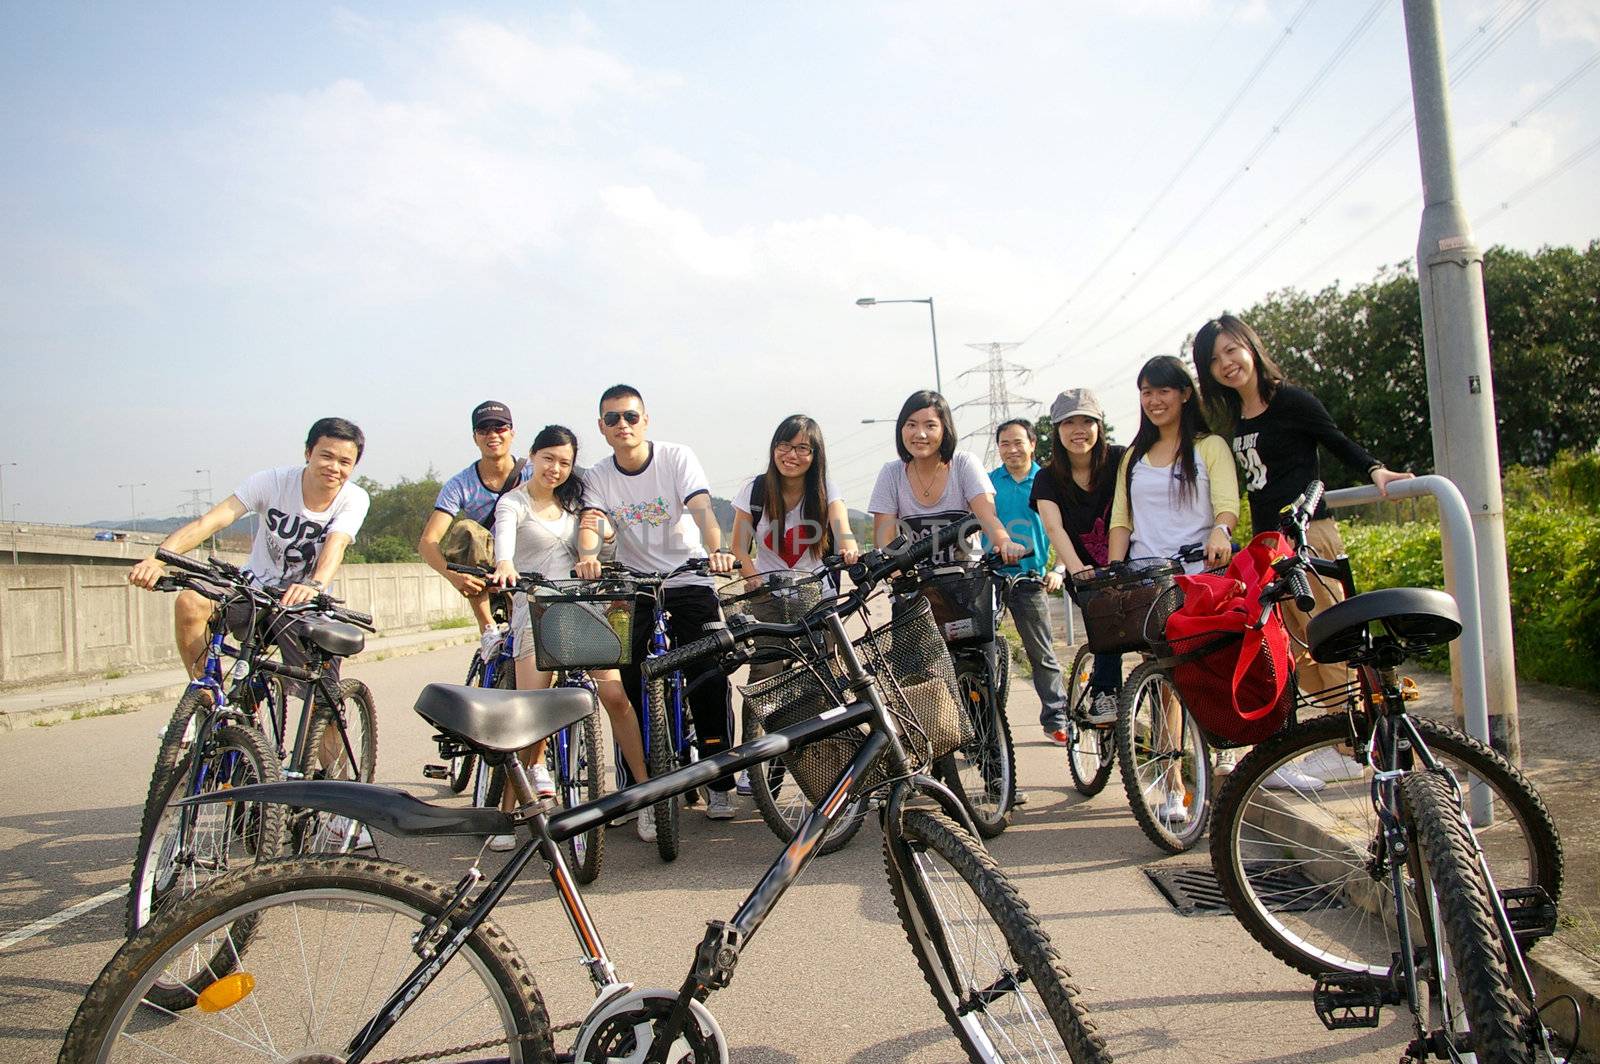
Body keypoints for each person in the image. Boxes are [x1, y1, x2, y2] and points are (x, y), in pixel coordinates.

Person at [1193, 313, 1414, 789]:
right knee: (1297, 648)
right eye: (1215, 359)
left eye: (1232, 350)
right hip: (1270, 545)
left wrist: (1376, 470)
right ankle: (1347, 738)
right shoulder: (1235, 419)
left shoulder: (1290, 401)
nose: (1227, 363)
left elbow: (1335, 441)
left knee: (1329, 635)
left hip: (1308, 536)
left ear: (1250, 347)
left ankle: (1352, 748)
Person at [577, 384, 740, 821]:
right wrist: (589, 556)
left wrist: (716, 548)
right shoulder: (598, 475)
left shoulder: (675, 457)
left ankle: (719, 780)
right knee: (625, 680)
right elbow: (593, 521)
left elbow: (702, 508)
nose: (623, 425)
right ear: (602, 427)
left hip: (688, 577)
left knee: (707, 675)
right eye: (613, 419)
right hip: (634, 584)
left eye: (631, 416)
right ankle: (635, 783)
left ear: (645, 420)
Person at [487, 426, 652, 849]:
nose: (555, 469)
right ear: (532, 457)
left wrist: (606, 537)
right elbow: (503, 543)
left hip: (582, 610)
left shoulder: (578, 504)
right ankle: (510, 812)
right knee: (530, 716)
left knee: (616, 698)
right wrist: (505, 565)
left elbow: (603, 549)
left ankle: (647, 796)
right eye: (548, 459)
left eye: (564, 462)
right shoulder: (514, 503)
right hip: (536, 614)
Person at [129, 417, 372, 685]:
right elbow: (210, 522)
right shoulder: (272, 482)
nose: (334, 467)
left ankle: (324, 720)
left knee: (322, 702)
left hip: (304, 602)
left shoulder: (354, 497)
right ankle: (206, 697)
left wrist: (314, 585)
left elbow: (335, 546)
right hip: (253, 590)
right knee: (191, 602)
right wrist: (156, 560)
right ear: (308, 452)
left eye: (344, 462)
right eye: (326, 456)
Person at [1107, 357, 1241, 817]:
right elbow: (1121, 520)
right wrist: (1114, 568)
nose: (1154, 400)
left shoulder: (1210, 447)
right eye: (1146, 392)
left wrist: (1221, 531)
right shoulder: (1133, 457)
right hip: (1150, 580)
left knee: (1207, 667)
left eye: (1163, 390)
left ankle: (1222, 750)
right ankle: (1171, 783)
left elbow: (1227, 504)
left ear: (1185, 393)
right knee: (1164, 681)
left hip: (1201, 576)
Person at [729, 415, 861, 796]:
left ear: (815, 454)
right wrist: (753, 577)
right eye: (785, 446)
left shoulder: (824, 488)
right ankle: (752, 762)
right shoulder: (755, 490)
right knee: (763, 679)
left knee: (828, 678)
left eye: (803, 447)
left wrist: (849, 546)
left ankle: (834, 758)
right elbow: (739, 547)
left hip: (814, 598)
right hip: (768, 598)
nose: (792, 454)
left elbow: (843, 529)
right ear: (774, 449)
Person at [1031, 389, 1127, 729]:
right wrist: (1079, 572)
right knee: (1106, 617)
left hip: (1127, 563)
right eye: (1069, 422)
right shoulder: (1047, 477)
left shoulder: (1120, 459)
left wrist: (1114, 567)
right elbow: (1054, 529)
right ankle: (1103, 693)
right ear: (1056, 429)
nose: (1079, 429)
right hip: (1082, 569)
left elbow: (1131, 508)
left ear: (1100, 425)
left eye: (1087, 421)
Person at [418, 401, 533, 665]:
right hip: (486, 561)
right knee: (465, 529)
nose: (493, 435)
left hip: (527, 556)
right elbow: (428, 541)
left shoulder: (532, 472)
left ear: (512, 433)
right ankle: (488, 629)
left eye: (500, 427)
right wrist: (453, 576)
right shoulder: (461, 484)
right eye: (484, 430)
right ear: (475, 437)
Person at [982, 419, 1071, 744]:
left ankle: (1056, 718)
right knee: (982, 654)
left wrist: (1058, 569)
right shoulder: (989, 482)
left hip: (1031, 577)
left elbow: (1061, 530)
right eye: (1005, 443)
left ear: (1033, 444)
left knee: (1041, 652)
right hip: (990, 576)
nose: (1011, 449)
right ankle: (983, 727)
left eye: (1018, 442)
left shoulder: (1047, 481)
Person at [867, 390, 1026, 567]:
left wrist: (1004, 542)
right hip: (916, 585)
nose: (920, 434)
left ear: (945, 429)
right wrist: (897, 579)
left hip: (967, 581)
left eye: (930, 426)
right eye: (911, 425)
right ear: (901, 430)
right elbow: (885, 541)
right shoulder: (891, 473)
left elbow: (987, 516)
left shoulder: (964, 464)